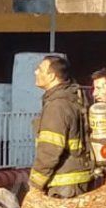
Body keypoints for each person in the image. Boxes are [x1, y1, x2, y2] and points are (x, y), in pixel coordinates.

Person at [30, 55, 93, 198]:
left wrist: (34, 185)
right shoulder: (73, 97)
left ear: (52, 76)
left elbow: (49, 150)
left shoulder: (57, 106)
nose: (36, 72)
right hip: (76, 180)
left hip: (63, 186)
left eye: (40, 69)